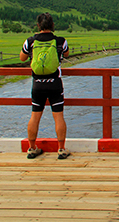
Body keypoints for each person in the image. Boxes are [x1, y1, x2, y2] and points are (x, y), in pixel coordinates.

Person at [20, 13, 71, 159]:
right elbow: (66, 54)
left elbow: (22, 57)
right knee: (59, 116)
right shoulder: (60, 41)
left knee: (35, 115)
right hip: (55, 83)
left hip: (37, 84)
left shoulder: (30, 41)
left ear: (38, 26)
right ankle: (61, 149)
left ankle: (31, 148)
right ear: (53, 25)